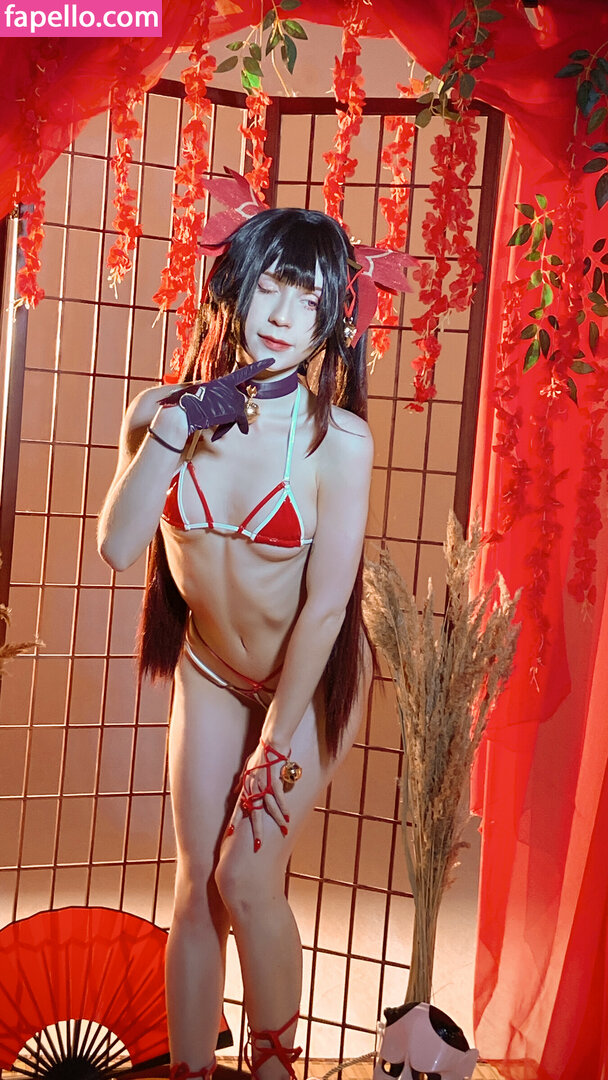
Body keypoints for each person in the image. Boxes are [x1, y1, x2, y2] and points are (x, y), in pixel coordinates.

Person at [98, 185, 411, 1080]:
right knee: (196, 886)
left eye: (308, 299)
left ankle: (275, 1071)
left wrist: (276, 741)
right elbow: (119, 547)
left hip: (305, 683)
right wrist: (173, 431)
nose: (281, 315)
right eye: (269, 285)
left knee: (245, 878)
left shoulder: (339, 442)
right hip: (209, 670)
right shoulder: (158, 413)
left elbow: (327, 606)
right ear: (234, 285)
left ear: (335, 318)